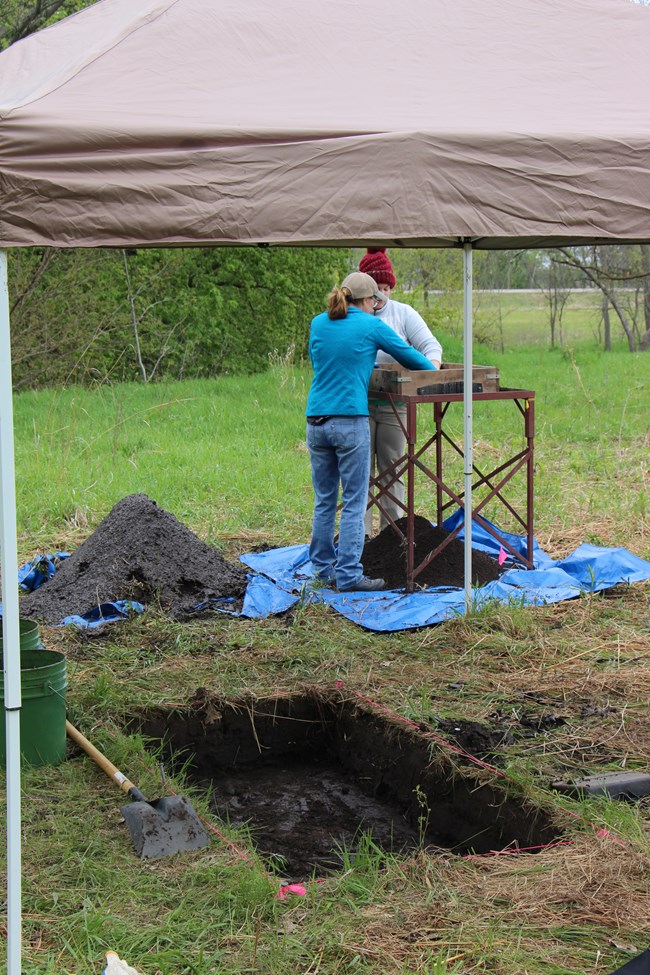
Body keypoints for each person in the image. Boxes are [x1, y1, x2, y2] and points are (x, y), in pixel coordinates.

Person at [306, 271, 436, 593]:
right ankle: (349, 575)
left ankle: (323, 570)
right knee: (354, 500)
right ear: (367, 301)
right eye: (373, 302)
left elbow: (319, 362)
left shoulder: (318, 323)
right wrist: (435, 371)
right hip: (350, 420)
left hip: (315, 421)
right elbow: (413, 359)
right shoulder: (371, 325)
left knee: (324, 500)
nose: (375, 307)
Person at [358, 248, 443, 535]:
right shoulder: (352, 317)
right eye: (376, 289)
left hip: (397, 403)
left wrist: (426, 374)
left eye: (386, 288)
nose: (382, 294)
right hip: (361, 401)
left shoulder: (403, 313)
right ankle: (361, 540)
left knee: (392, 468)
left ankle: (390, 537)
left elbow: (431, 348)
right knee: (360, 472)